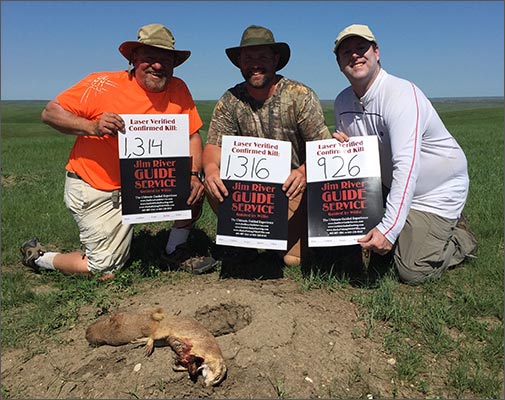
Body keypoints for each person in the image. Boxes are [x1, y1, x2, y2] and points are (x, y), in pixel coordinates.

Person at [20, 23, 217, 280]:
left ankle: (175, 249)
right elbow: (50, 113)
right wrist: (92, 126)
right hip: (100, 188)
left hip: (149, 184)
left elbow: (192, 135)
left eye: (165, 59)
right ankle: (39, 258)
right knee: (105, 269)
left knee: (193, 190)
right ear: (134, 58)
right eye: (150, 57)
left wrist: (193, 174)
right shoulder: (101, 84)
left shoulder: (178, 88)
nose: (158, 65)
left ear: (174, 63)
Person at [331, 24, 477, 284]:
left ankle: (460, 236)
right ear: (339, 62)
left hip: (435, 192)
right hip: (390, 188)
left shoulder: (401, 95)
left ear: (376, 52)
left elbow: (406, 167)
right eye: (346, 52)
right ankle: (408, 227)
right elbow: (359, 159)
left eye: (361, 48)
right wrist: (342, 151)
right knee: (363, 250)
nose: (354, 55)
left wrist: (388, 229)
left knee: (412, 271)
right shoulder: (342, 102)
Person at [203, 25, 332, 270]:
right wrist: (210, 169)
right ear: (240, 62)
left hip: (293, 190)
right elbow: (212, 148)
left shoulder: (299, 95)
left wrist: (303, 173)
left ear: (275, 60)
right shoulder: (231, 99)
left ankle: (301, 236)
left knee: (291, 261)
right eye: (248, 58)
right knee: (210, 180)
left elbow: (323, 150)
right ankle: (246, 239)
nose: (255, 64)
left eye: (262, 57)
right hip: (250, 193)